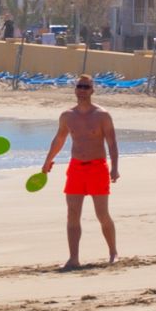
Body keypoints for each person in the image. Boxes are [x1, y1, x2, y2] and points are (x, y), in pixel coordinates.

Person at [40, 73, 120, 269]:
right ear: (75, 89)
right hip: (76, 168)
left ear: (92, 90)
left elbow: (112, 143)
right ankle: (73, 258)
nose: (82, 91)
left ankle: (113, 252)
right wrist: (48, 161)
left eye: (86, 87)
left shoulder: (102, 115)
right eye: (79, 87)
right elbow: (59, 140)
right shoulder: (67, 116)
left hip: (97, 167)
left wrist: (115, 168)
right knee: (72, 214)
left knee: (102, 214)